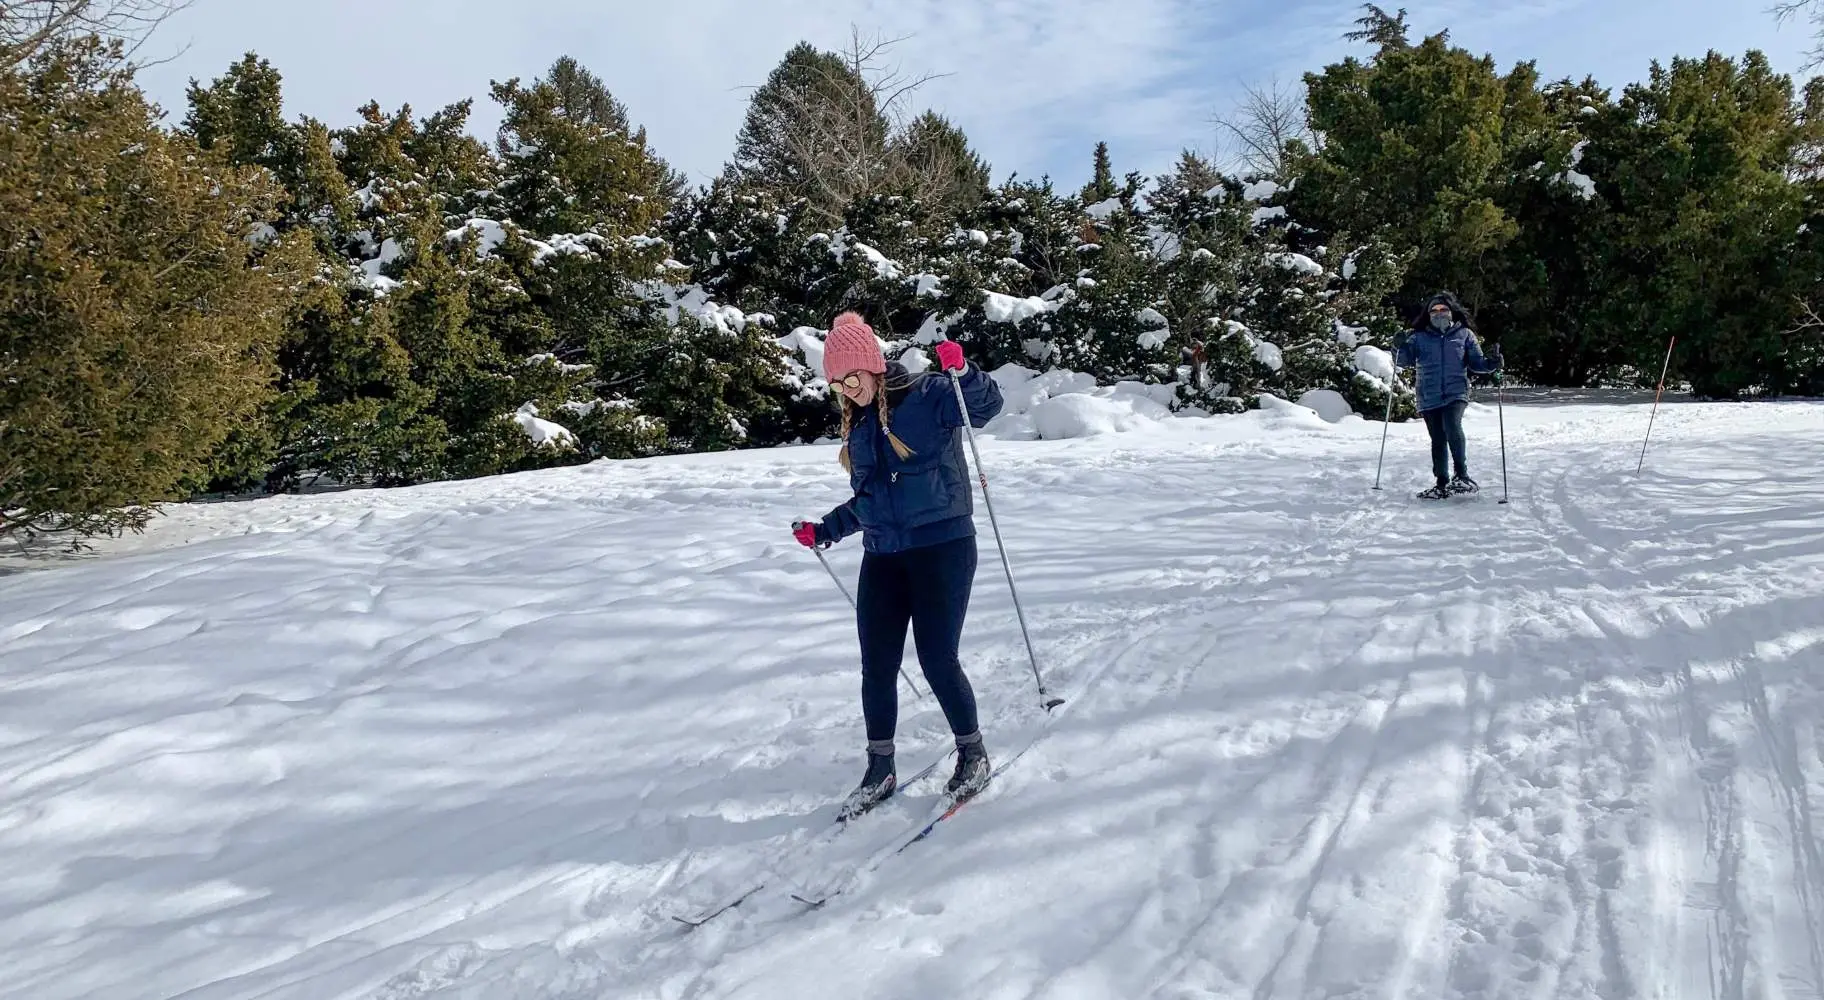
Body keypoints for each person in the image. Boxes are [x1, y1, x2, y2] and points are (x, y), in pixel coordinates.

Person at [791, 310, 1006, 819]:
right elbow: (869, 502)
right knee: (877, 665)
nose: (847, 389)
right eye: (837, 382)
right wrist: (825, 530)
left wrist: (966, 372)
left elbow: (987, 407)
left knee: (936, 657)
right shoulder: (862, 428)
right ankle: (879, 767)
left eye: (852, 377)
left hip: (943, 548)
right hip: (883, 555)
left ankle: (972, 753)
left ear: (873, 367)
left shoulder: (930, 396)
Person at [1394, 291, 1504, 499]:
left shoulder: (1464, 335)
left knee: (1452, 426)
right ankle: (1442, 482)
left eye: (1443, 309)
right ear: (1428, 314)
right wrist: (1397, 346)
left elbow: (1476, 363)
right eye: (1434, 310)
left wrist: (1492, 363)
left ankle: (1462, 475)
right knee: (1437, 438)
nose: (1438, 313)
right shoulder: (1419, 337)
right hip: (1428, 394)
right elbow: (1403, 360)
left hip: (1456, 392)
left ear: (1451, 312)